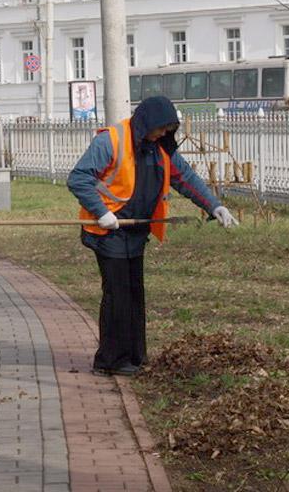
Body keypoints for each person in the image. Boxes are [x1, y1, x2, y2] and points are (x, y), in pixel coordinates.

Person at [67, 96, 238, 376]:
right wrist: (101, 212)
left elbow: (185, 179)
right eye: (161, 129)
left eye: (169, 130)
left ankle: (134, 357)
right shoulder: (110, 141)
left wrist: (214, 205)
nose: (164, 134)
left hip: (135, 231)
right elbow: (79, 179)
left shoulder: (159, 149)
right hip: (108, 230)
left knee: (135, 295)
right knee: (117, 295)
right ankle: (110, 361)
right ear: (147, 123)